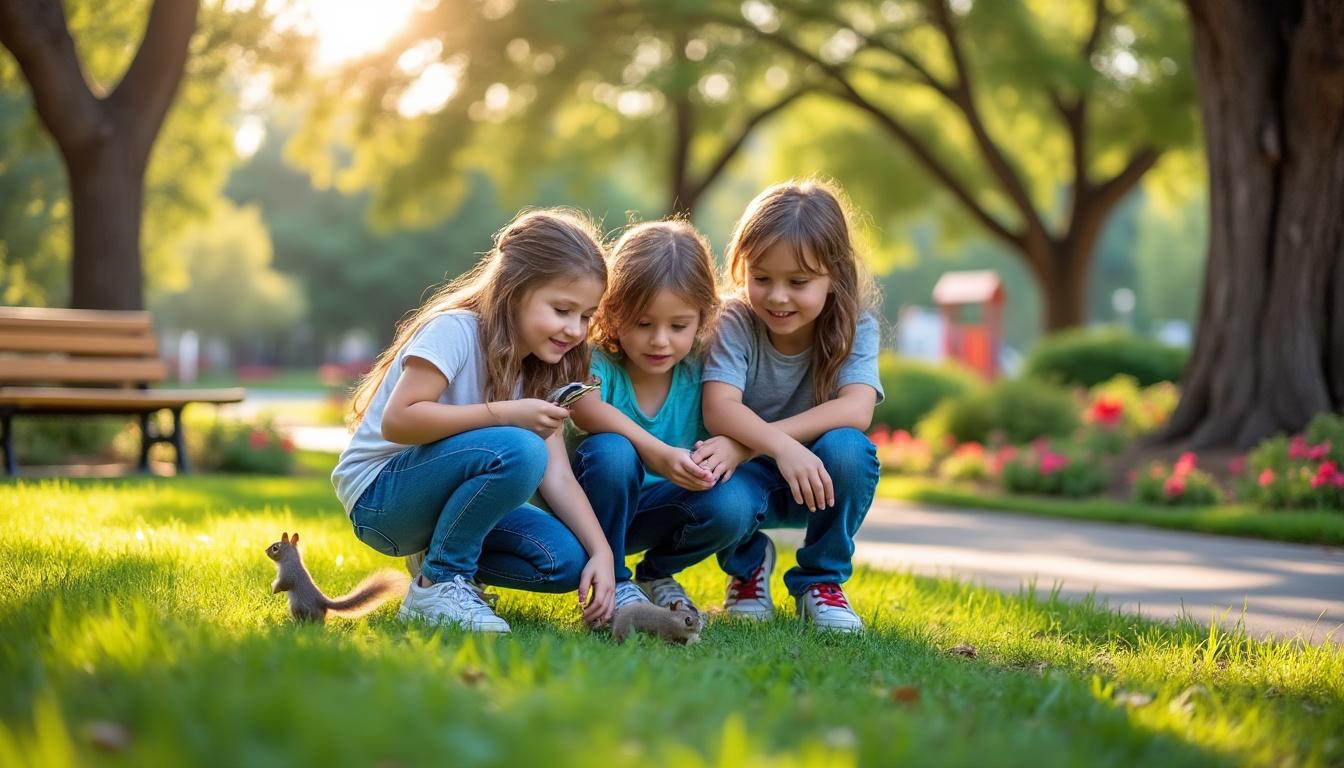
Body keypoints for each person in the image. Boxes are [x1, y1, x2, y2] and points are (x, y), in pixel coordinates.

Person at [331, 209, 616, 633]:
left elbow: (556, 475)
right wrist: (507, 414)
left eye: (586, 316)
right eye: (562, 309)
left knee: (566, 561)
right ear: (514, 291)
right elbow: (399, 420)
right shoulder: (456, 330)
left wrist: (603, 554)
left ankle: (445, 561)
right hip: (382, 499)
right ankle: (438, 583)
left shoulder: (541, 367)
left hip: (439, 502)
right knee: (522, 448)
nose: (574, 328)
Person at [702, 180, 884, 633]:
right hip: (749, 479)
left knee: (849, 449)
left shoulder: (855, 327)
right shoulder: (735, 320)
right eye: (762, 278)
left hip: (816, 474)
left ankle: (819, 582)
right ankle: (748, 565)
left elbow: (857, 410)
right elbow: (719, 410)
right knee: (718, 488)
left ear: (834, 276)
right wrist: (774, 450)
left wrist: (757, 445)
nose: (777, 296)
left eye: (798, 282)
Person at [569, 220, 754, 615]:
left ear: (703, 317)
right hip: (592, 511)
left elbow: (740, 417)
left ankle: (656, 574)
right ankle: (615, 581)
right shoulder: (598, 360)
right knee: (613, 451)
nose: (660, 340)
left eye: (678, 325)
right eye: (643, 323)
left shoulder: (702, 371)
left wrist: (735, 445)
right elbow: (586, 409)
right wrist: (658, 453)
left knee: (733, 503)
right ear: (613, 314)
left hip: (659, 511)